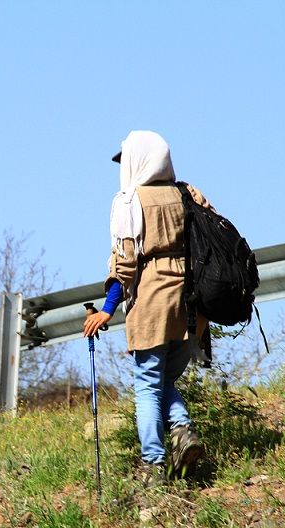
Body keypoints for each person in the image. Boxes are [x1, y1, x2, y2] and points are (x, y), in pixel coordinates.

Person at [83, 130, 208, 486]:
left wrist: (107, 308)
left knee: (148, 384)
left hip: (153, 302)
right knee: (163, 379)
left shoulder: (128, 202)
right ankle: (183, 431)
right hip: (193, 305)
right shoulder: (189, 194)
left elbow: (125, 265)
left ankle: (153, 465)